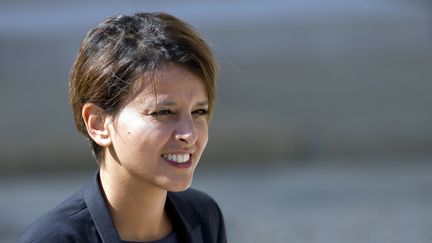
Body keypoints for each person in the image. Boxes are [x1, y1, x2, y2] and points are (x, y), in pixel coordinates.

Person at [18, 12, 226, 243]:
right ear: (98, 123)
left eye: (199, 112)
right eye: (163, 113)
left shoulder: (203, 217)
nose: (189, 134)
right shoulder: (54, 239)